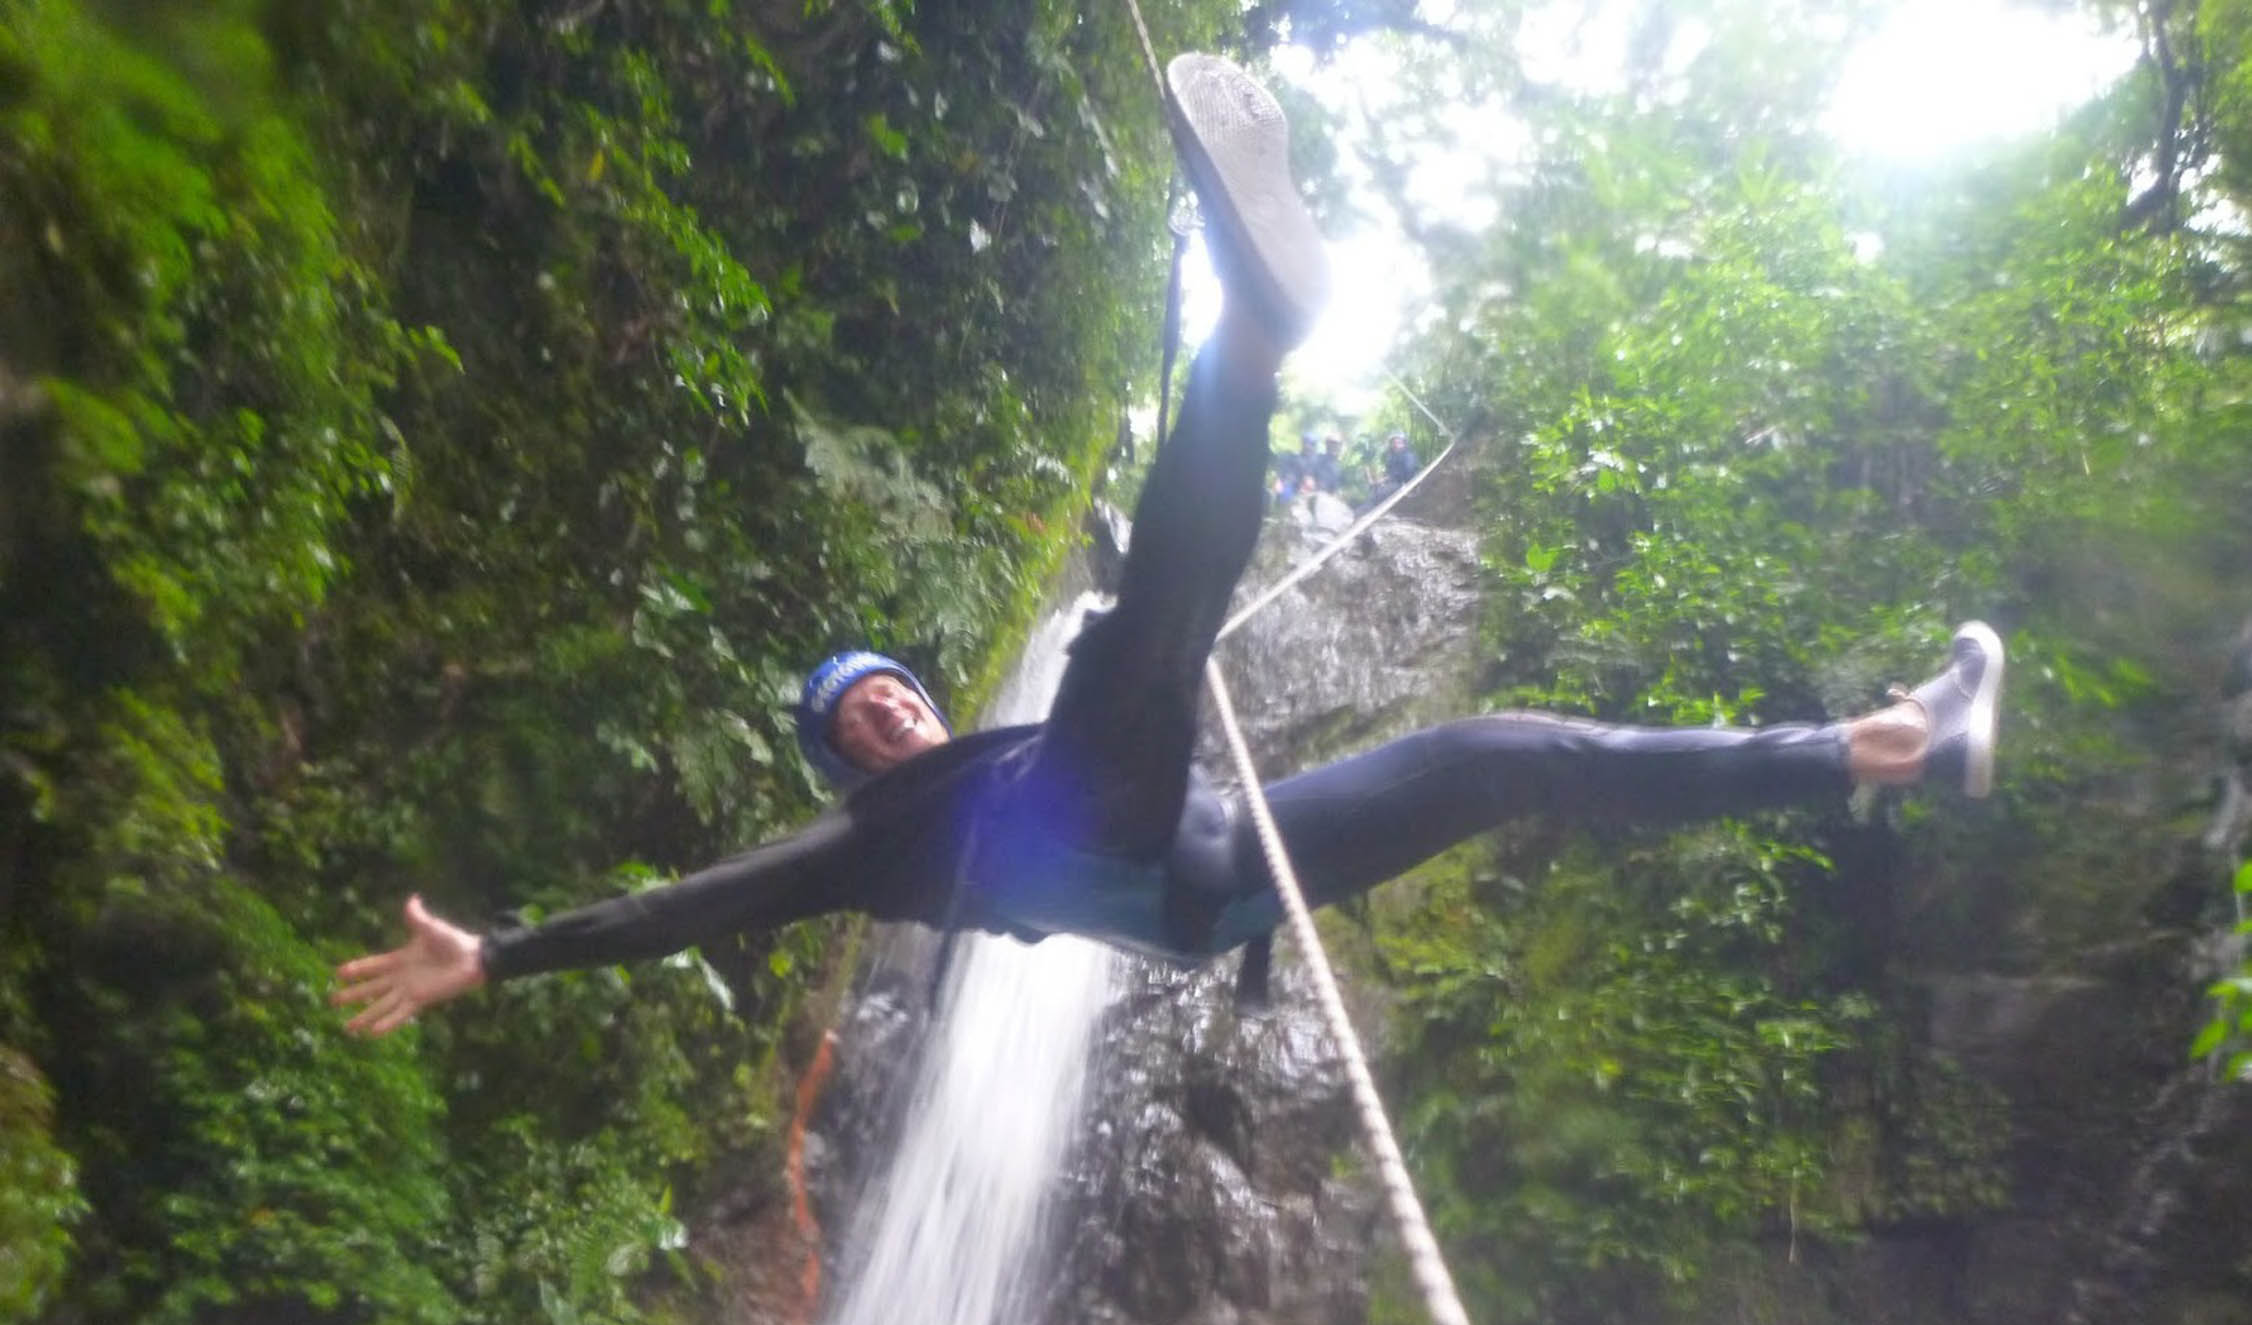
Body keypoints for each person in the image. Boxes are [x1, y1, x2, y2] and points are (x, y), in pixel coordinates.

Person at [333, 55, 2005, 1038]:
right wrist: (501, 952)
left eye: (892, 694)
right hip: (1134, 859)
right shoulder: (876, 846)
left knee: (1515, 751)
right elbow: (692, 904)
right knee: (1133, 639)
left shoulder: (966, 755)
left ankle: (1883, 749)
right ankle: (1251, 342)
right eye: (855, 721)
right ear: (842, 765)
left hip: (1223, 851)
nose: (888, 714)